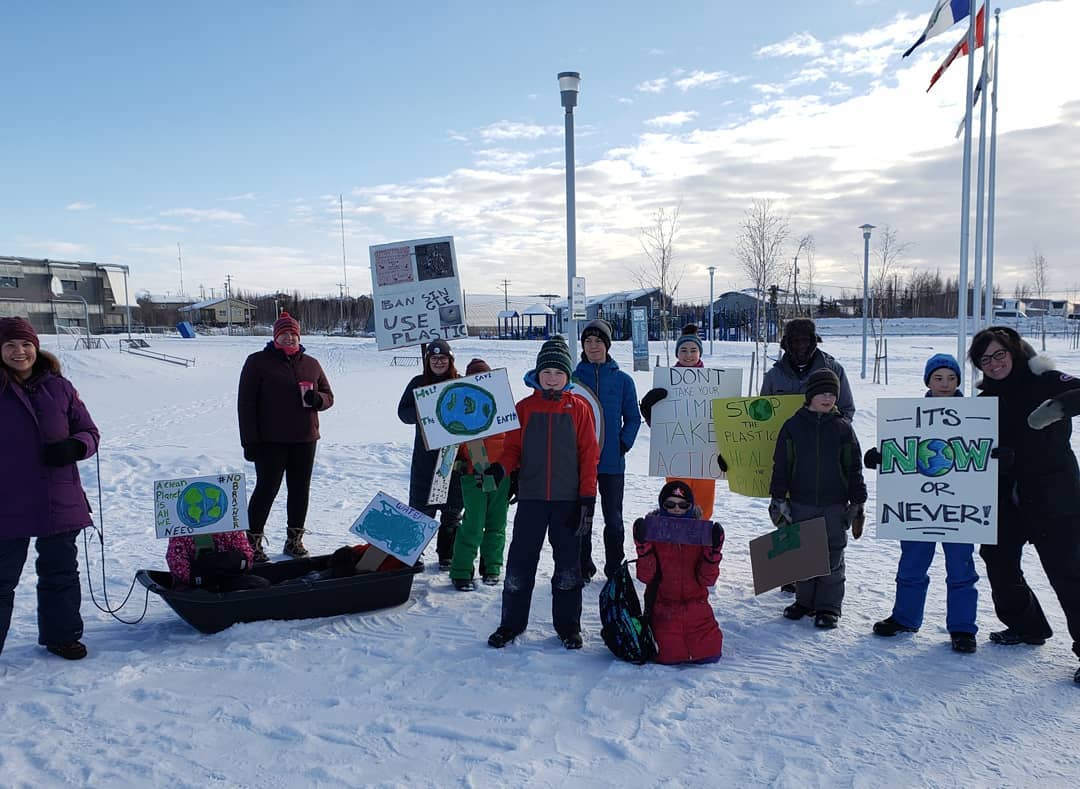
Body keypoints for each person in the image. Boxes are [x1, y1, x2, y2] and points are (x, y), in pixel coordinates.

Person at [967, 325, 1080, 684]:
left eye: (999, 354)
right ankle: (1026, 625)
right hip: (1005, 497)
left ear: (1015, 352)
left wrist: (1056, 408)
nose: (994, 363)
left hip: (1053, 495)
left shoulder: (1045, 380)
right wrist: (896, 457)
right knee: (998, 561)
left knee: (1068, 572)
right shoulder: (984, 402)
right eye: (985, 359)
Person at [486, 336, 598, 650]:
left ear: (568, 376)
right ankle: (511, 623)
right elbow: (511, 450)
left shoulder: (580, 409)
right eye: (546, 372)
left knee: (567, 568)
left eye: (558, 373)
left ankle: (568, 627)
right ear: (538, 375)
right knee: (520, 563)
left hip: (568, 502)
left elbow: (589, 455)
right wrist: (500, 468)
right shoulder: (523, 409)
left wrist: (587, 496)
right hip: (532, 500)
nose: (551, 378)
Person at [0, 317, 99, 660]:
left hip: (58, 497)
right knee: (2, 579)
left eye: (26, 344)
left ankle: (62, 636)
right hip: (8, 500)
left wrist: (75, 447)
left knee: (60, 571)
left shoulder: (60, 387)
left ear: (36, 347)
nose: (20, 352)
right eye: (10, 345)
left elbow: (89, 431)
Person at [866, 353, 979, 653]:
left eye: (952, 378)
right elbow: (902, 451)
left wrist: (996, 457)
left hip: (959, 507)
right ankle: (905, 617)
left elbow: (982, 454)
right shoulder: (908, 416)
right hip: (918, 505)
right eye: (938, 378)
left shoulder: (975, 417)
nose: (945, 384)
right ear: (928, 380)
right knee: (912, 564)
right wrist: (880, 456)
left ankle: (963, 627)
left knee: (961, 568)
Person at [769, 368, 867, 629]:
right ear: (810, 395)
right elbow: (781, 464)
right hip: (800, 502)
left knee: (832, 555)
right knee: (803, 554)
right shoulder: (792, 426)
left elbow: (854, 467)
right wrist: (778, 497)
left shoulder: (843, 428)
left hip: (834, 504)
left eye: (832, 394)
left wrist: (858, 500)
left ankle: (828, 606)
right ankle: (805, 601)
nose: (828, 398)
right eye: (822, 393)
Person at [238, 311, 334, 562]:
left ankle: (294, 541)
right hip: (270, 441)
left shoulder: (311, 363)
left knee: (300, 490)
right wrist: (249, 441)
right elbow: (246, 405)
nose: (289, 338)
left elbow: (328, 395)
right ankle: (252, 543)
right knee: (267, 489)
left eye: (293, 334)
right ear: (275, 336)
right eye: (284, 334)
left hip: (305, 438)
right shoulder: (257, 362)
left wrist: (318, 400)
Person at [573, 318, 641, 581]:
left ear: (607, 345)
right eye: (588, 341)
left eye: (598, 341)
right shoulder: (573, 379)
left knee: (613, 519)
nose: (593, 346)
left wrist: (623, 443)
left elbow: (633, 418)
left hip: (612, 462)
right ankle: (582, 566)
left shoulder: (623, 380)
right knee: (582, 517)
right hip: (580, 463)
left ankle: (614, 567)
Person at [632, 480, 725, 664]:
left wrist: (712, 554)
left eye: (683, 505)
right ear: (662, 505)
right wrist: (643, 549)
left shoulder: (700, 533)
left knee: (711, 652)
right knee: (668, 655)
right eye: (670, 504)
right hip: (664, 608)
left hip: (697, 607)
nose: (676, 509)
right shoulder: (654, 532)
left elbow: (707, 579)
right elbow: (646, 576)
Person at [397, 339, 464, 570]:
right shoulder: (417, 383)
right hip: (425, 456)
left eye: (443, 358)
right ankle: (412, 551)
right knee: (420, 507)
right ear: (428, 362)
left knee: (452, 509)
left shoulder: (459, 382)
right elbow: (403, 413)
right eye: (434, 359)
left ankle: (447, 554)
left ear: (450, 361)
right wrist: (424, 409)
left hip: (452, 456)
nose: (438, 362)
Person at [639, 325, 718, 520]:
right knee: (677, 498)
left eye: (693, 350)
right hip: (676, 451)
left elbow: (723, 421)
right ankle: (675, 540)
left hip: (705, 452)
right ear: (677, 353)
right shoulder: (667, 382)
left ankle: (701, 542)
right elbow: (659, 423)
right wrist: (649, 409)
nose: (688, 355)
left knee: (703, 503)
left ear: (700, 352)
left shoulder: (714, 383)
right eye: (683, 350)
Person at [449, 358, 510, 591]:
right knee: (472, 525)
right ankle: (461, 571)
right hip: (473, 476)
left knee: (496, 524)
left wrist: (514, 473)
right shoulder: (458, 410)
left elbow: (514, 444)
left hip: (500, 478)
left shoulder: (502, 408)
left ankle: (492, 568)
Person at [761, 318, 855, 420]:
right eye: (795, 341)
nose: (801, 346)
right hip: (783, 435)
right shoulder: (774, 375)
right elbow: (763, 413)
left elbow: (846, 410)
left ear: (813, 342)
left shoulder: (834, 370)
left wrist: (835, 431)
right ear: (787, 344)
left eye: (805, 340)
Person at [165, 530, 271, 592]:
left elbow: (246, 555)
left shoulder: (230, 529)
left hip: (228, 578)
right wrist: (193, 577)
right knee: (192, 593)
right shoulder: (181, 532)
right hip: (197, 584)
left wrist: (235, 561)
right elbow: (176, 560)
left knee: (261, 584)